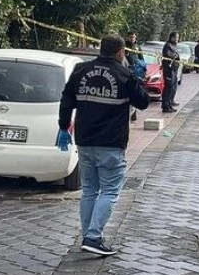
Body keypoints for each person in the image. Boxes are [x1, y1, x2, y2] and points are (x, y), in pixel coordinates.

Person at [57, 34, 150, 256]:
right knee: (109, 190)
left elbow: (66, 100)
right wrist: (137, 79)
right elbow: (143, 102)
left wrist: (63, 127)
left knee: (89, 190)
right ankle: (93, 237)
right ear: (121, 52)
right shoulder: (125, 75)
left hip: (85, 140)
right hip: (110, 143)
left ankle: (87, 235)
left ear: (101, 49)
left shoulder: (81, 70)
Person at [161, 32, 181, 113]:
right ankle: (165, 106)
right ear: (172, 38)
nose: (177, 39)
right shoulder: (167, 45)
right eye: (176, 37)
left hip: (174, 69)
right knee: (168, 87)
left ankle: (169, 104)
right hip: (169, 70)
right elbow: (168, 55)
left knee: (172, 87)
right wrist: (175, 56)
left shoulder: (174, 46)